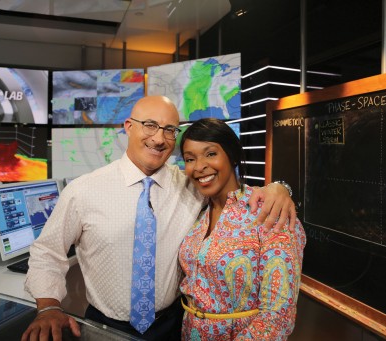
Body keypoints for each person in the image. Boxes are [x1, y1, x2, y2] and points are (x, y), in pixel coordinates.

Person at [22, 96, 296, 341]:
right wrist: (48, 307)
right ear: (129, 126)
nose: (158, 138)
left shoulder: (192, 185)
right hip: (104, 328)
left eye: (169, 130)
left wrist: (279, 187)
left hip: (174, 325)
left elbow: (232, 190)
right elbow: (47, 251)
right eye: (150, 125)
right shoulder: (83, 191)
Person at [178, 118, 306, 340]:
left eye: (210, 154)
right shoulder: (196, 211)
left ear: (233, 156)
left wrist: (279, 188)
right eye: (190, 159)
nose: (199, 167)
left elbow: (277, 316)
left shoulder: (268, 212)